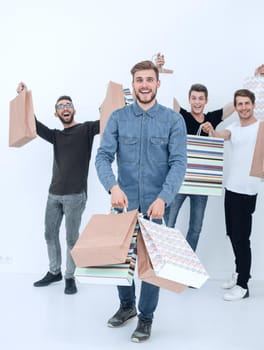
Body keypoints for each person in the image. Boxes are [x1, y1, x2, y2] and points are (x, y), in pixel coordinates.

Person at [95, 60, 187, 342]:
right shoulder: (118, 118)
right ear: (132, 84)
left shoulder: (173, 120)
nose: (144, 85)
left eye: (149, 79)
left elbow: (179, 163)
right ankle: (126, 307)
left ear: (158, 83)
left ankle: (146, 318)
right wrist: (112, 188)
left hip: (156, 207)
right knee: (120, 260)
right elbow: (102, 157)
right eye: (139, 80)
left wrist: (164, 197)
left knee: (151, 265)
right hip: (123, 205)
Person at [16, 82, 100, 295]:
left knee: (71, 238)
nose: (65, 108)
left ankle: (70, 276)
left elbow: (110, 118)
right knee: (49, 233)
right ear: (56, 113)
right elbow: (32, 123)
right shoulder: (55, 135)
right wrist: (23, 97)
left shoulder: (87, 129)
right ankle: (55, 271)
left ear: (74, 110)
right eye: (61, 106)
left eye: (68, 104)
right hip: (54, 194)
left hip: (75, 196)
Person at [155, 53, 234, 251]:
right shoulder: (180, 115)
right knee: (168, 223)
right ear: (189, 99)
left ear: (206, 100)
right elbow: (164, 95)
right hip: (180, 180)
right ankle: (167, 260)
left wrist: (257, 79)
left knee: (196, 228)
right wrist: (160, 71)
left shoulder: (212, 119)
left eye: (201, 99)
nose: (197, 102)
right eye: (194, 98)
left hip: (202, 183)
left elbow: (235, 104)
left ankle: (187, 267)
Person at [202, 89, 261, 301]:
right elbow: (219, 136)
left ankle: (243, 285)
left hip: (247, 191)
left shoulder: (260, 127)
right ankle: (239, 273)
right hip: (231, 189)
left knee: (242, 239)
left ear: (253, 104)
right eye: (240, 104)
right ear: (235, 107)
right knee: (232, 234)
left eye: (247, 103)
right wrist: (211, 129)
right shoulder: (233, 128)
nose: (244, 107)